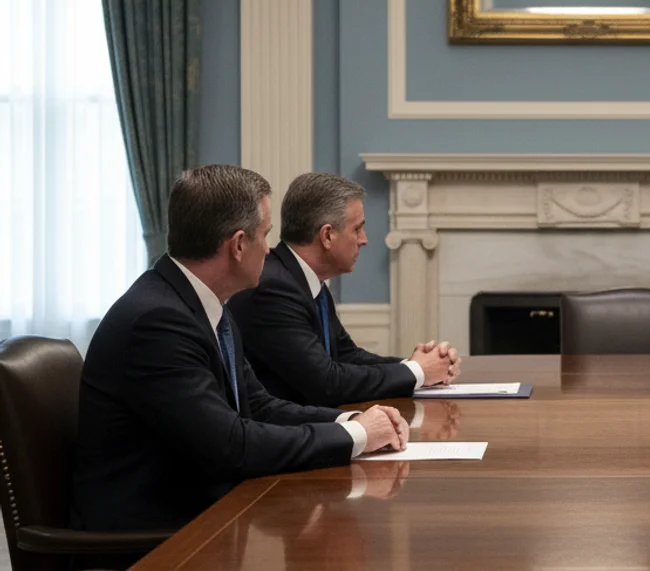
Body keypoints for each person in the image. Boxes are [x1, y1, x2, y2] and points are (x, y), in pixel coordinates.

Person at [72, 165, 408, 538]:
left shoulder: (203, 304)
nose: (270, 248)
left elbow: (260, 406)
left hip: (208, 510)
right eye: (265, 235)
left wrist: (349, 422)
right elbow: (231, 446)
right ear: (237, 245)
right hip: (157, 534)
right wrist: (357, 437)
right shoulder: (157, 322)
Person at [227, 172, 461, 407]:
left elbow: (347, 355)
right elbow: (327, 384)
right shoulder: (273, 290)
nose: (364, 240)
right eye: (357, 229)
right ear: (327, 235)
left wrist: (416, 365)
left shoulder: (304, 281)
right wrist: (418, 371)